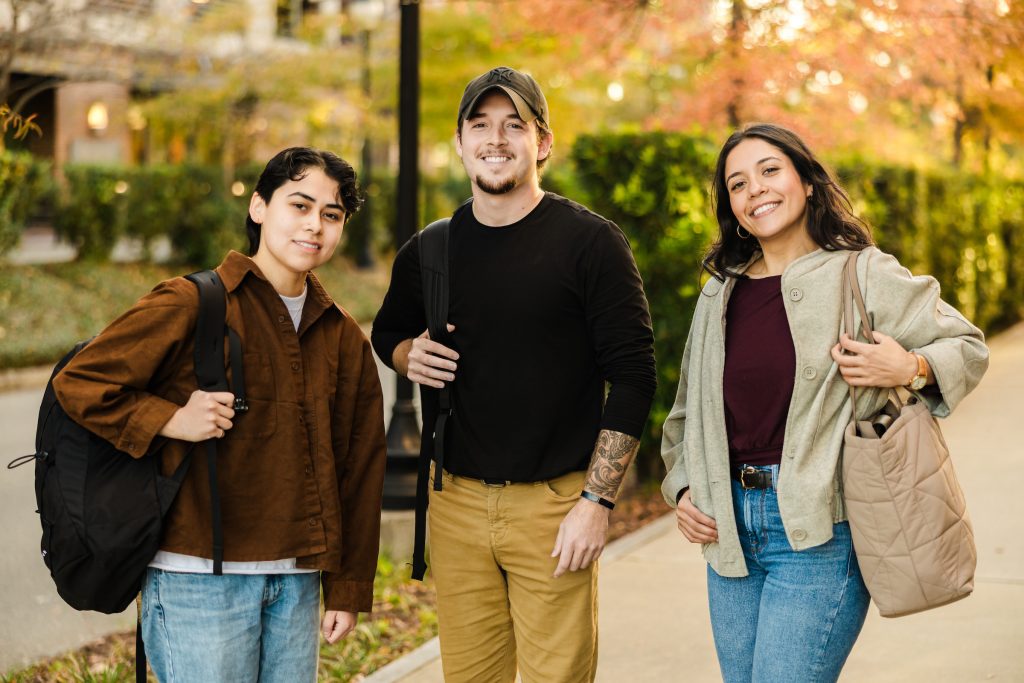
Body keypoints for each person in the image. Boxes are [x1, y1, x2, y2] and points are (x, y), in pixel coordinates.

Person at [661, 123, 989, 682]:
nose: (755, 190)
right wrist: (685, 487)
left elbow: (968, 345)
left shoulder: (861, 272)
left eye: (770, 171)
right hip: (730, 541)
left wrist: (910, 366)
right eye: (737, 184)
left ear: (806, 181)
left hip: (819, 534)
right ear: (731, 206)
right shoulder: (719, 293)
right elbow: (687, 413)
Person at [52, 147, 387, 682]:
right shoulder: (194, 302)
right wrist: (170, 418)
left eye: (332, 214)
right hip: (198, 581)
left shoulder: (343, 336)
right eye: (299, 205)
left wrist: (346, 589)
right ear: (258, 207)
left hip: (296, 582)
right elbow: (82, 382)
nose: (314, 225)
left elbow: (360, 466)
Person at [371, 66, 657, 682]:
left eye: (513, 125)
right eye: (480, 125)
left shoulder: (591, 244)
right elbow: (388, 333)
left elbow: (634, 376)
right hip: (455, 504)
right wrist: (406, 356)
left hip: (555, 506)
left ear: (542, 142)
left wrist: (596, 502)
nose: (495, 139)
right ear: (460, 141)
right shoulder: (431, 249)